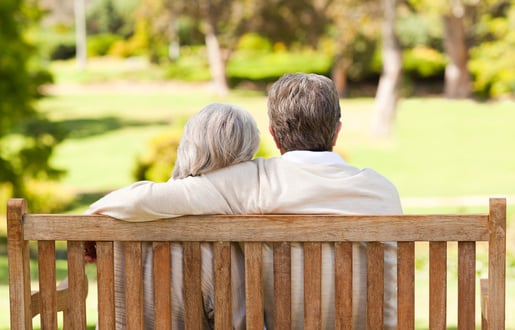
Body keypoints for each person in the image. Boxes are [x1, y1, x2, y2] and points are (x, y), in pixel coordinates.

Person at [87, 73, 403, 329]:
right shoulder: (382, 190)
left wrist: (93, 219)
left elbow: (145, 200)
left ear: (275, 136)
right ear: (337, 132)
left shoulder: (254, 180)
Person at [88, 103, 260, 330]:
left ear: (187, 146)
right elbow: (241, 324)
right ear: (243, 160)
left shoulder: (121, 214)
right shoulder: (224, 243)